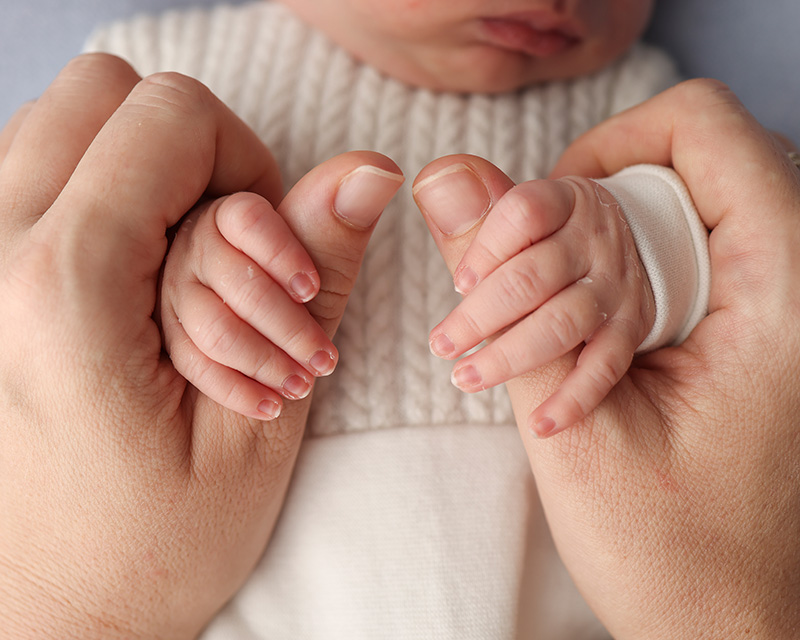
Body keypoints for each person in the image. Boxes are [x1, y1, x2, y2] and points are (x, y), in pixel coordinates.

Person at [1, 1, 797, 639]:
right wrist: (192, 290)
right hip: (236, 572)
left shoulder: (642, 91)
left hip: (591, 567)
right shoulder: (159, 67)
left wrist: (639, 255)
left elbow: (737, 286)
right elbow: (91, 292)